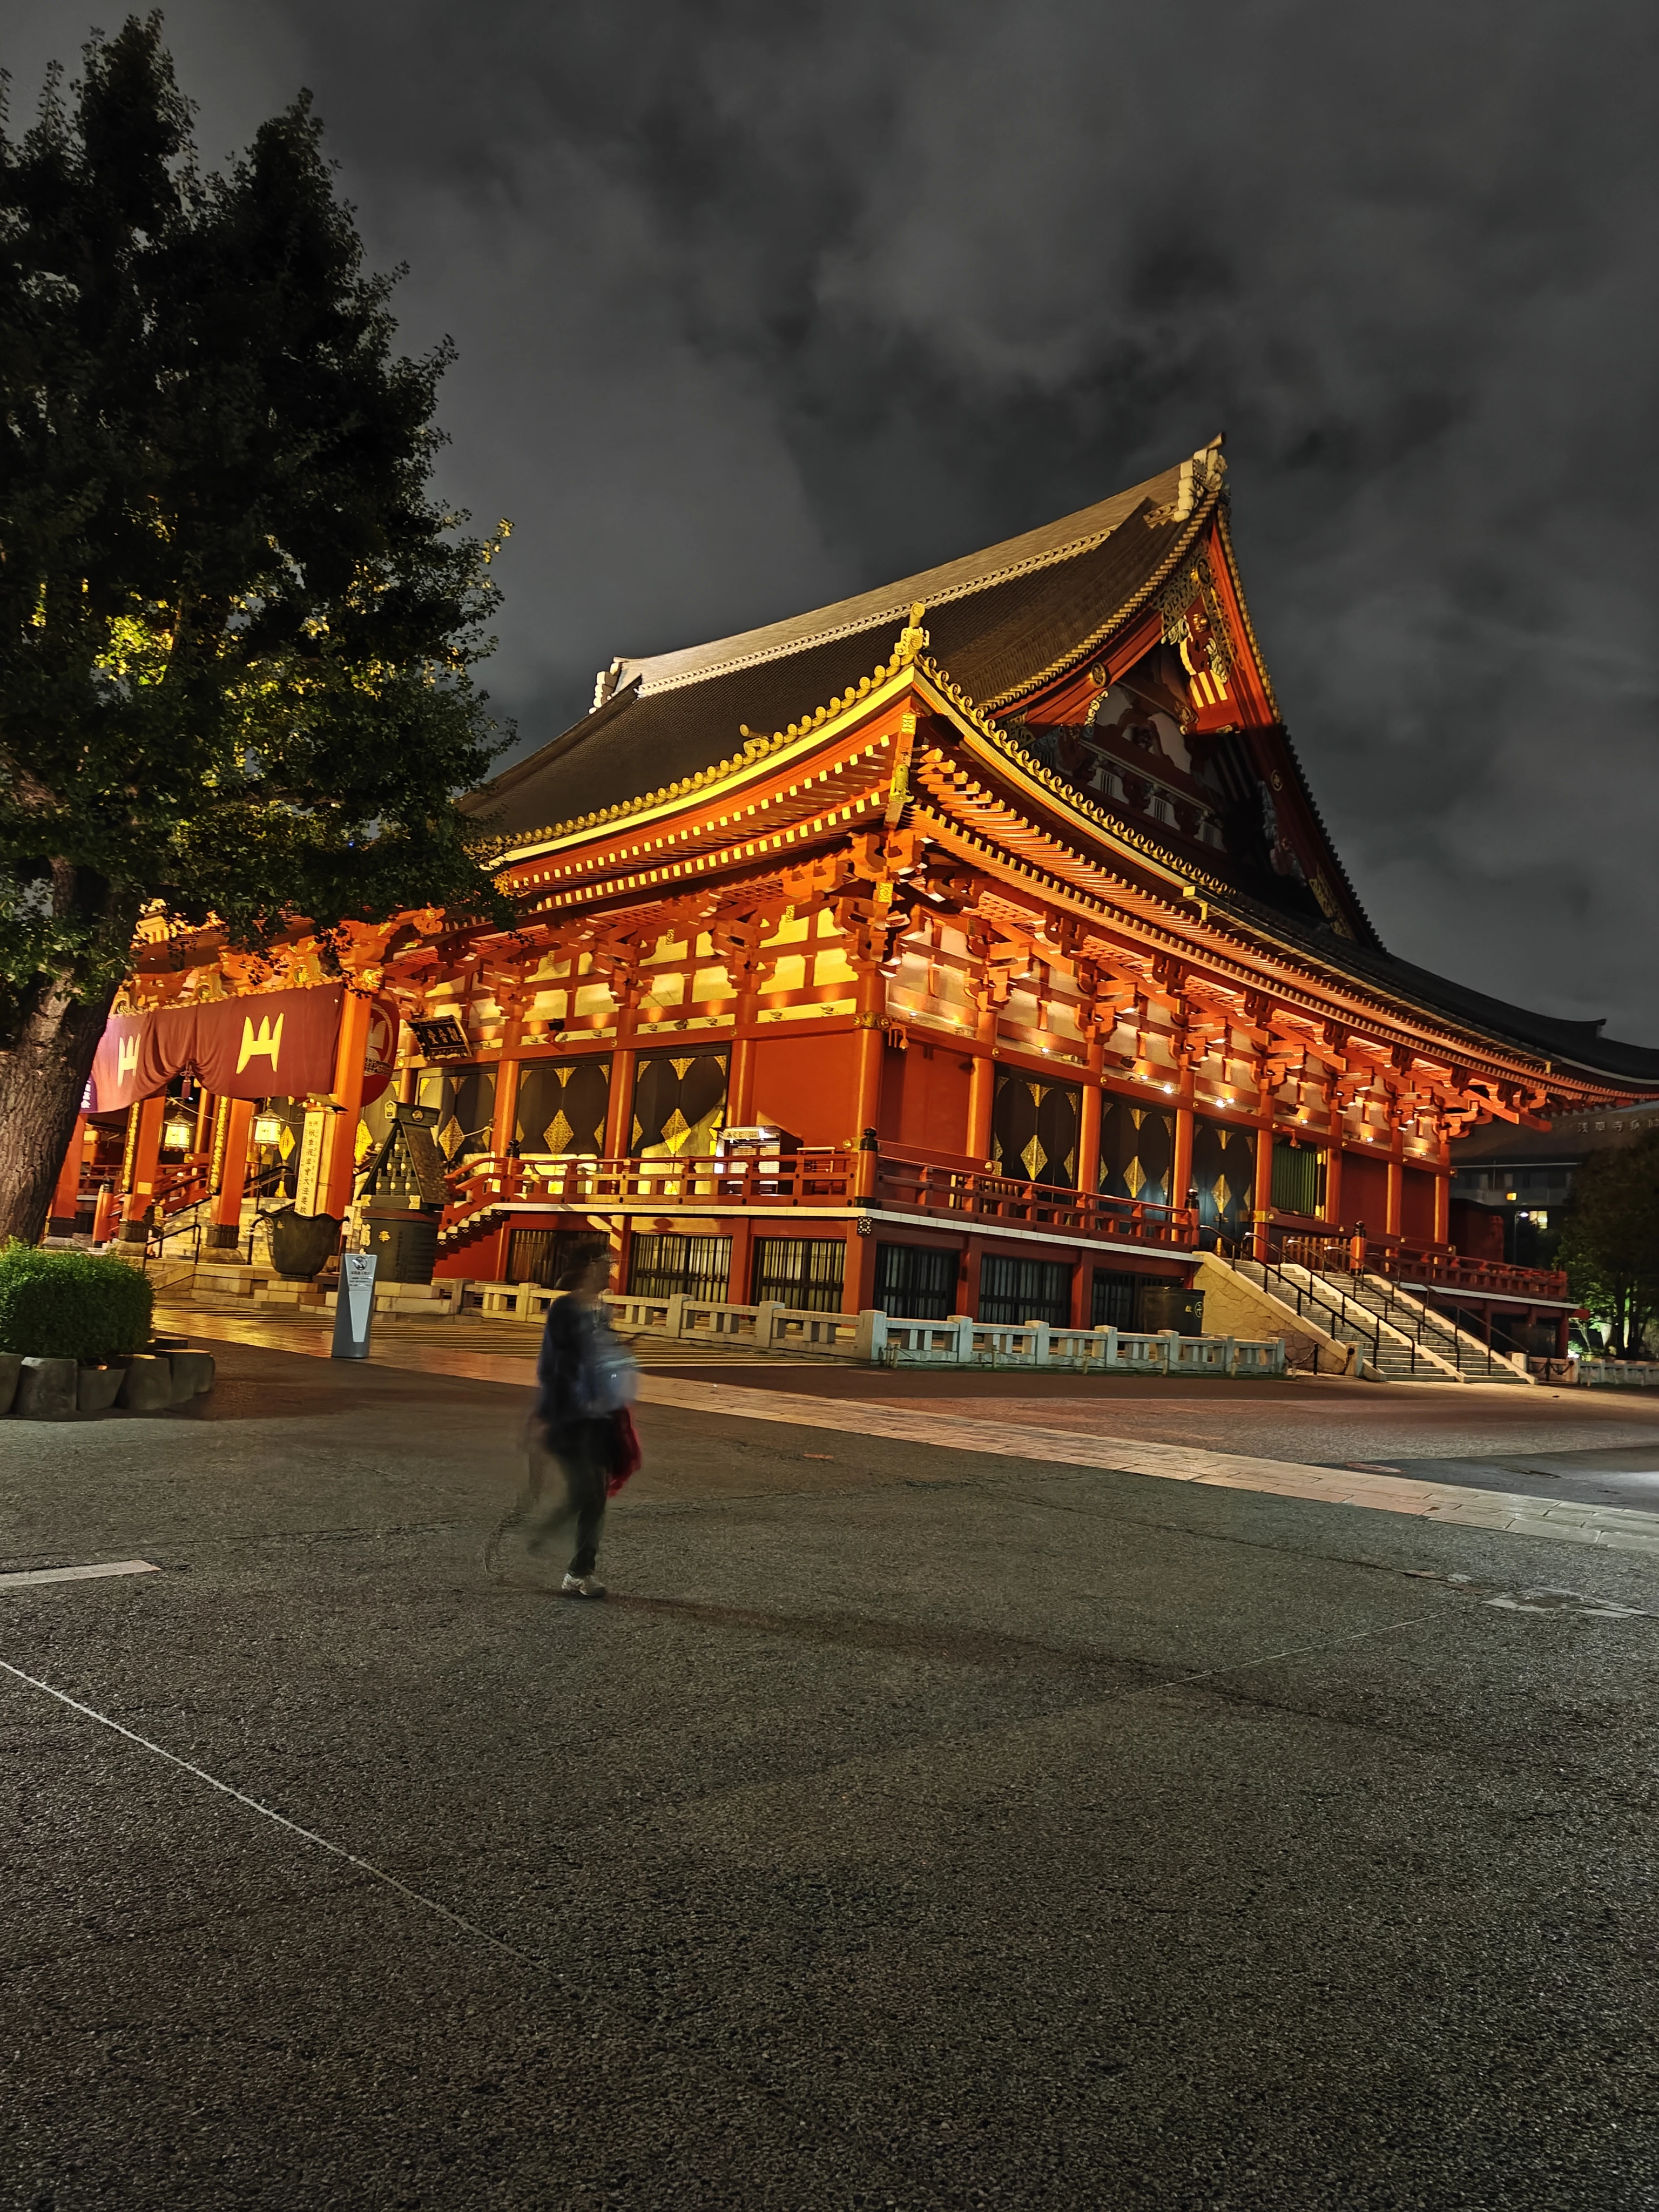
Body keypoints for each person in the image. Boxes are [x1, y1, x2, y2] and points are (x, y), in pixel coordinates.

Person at [528, 1236, 638, 1598]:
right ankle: (574, 1566)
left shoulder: (600, 1310)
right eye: (607, 1263)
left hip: (600, 1414)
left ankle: (571, 1560)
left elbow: (597, 1358)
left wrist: (618, 1350)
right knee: (589, 1493)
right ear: (591, 1266)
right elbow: (553, 1365)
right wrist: (546, 1414)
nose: (612, 1269)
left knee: (593, 1495)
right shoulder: (564, 1310)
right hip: (571, 1416)